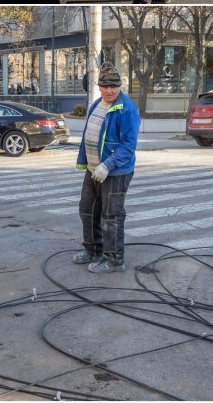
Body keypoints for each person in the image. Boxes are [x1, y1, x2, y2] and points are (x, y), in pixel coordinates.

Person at [74, 67, 139, 273]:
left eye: (114, 86)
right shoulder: (96, 104)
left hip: (115, 172)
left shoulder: (127, 109)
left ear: (120, 87)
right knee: (88, 211)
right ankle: (93, 250)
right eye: (105, 86)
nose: (110, 90)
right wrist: (88, 163)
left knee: (112, 216)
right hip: (94, 170)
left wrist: (107, 164)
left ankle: (114, 260)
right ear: (99, 87)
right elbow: (89, 134)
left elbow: (128, 145)